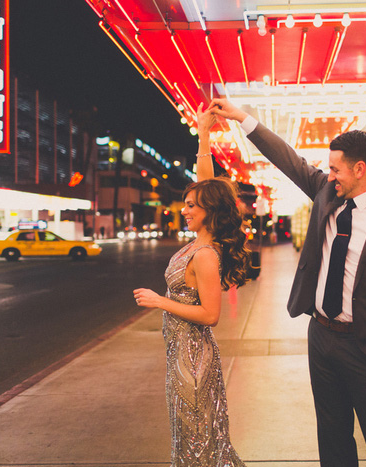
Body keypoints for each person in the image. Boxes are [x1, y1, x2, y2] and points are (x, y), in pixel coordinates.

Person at [210, 98, 366, 467]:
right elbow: (289, 159)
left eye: (335, 169)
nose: (328, 175)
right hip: (322, 337)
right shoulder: (326, 193)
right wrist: (244, 119)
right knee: (332, 433)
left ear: (360, 169)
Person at [133, 103, 250, 466]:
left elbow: (211, 314)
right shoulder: (200, 239)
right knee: (191, 437)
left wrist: (160, 301)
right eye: (184, 204)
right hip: (180, 353)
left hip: (193, 358)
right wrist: (202, 135)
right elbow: (206, 185)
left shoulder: (205, 255)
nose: (185, 210)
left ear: (209, 211)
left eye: (191, 207)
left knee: (199, 441)